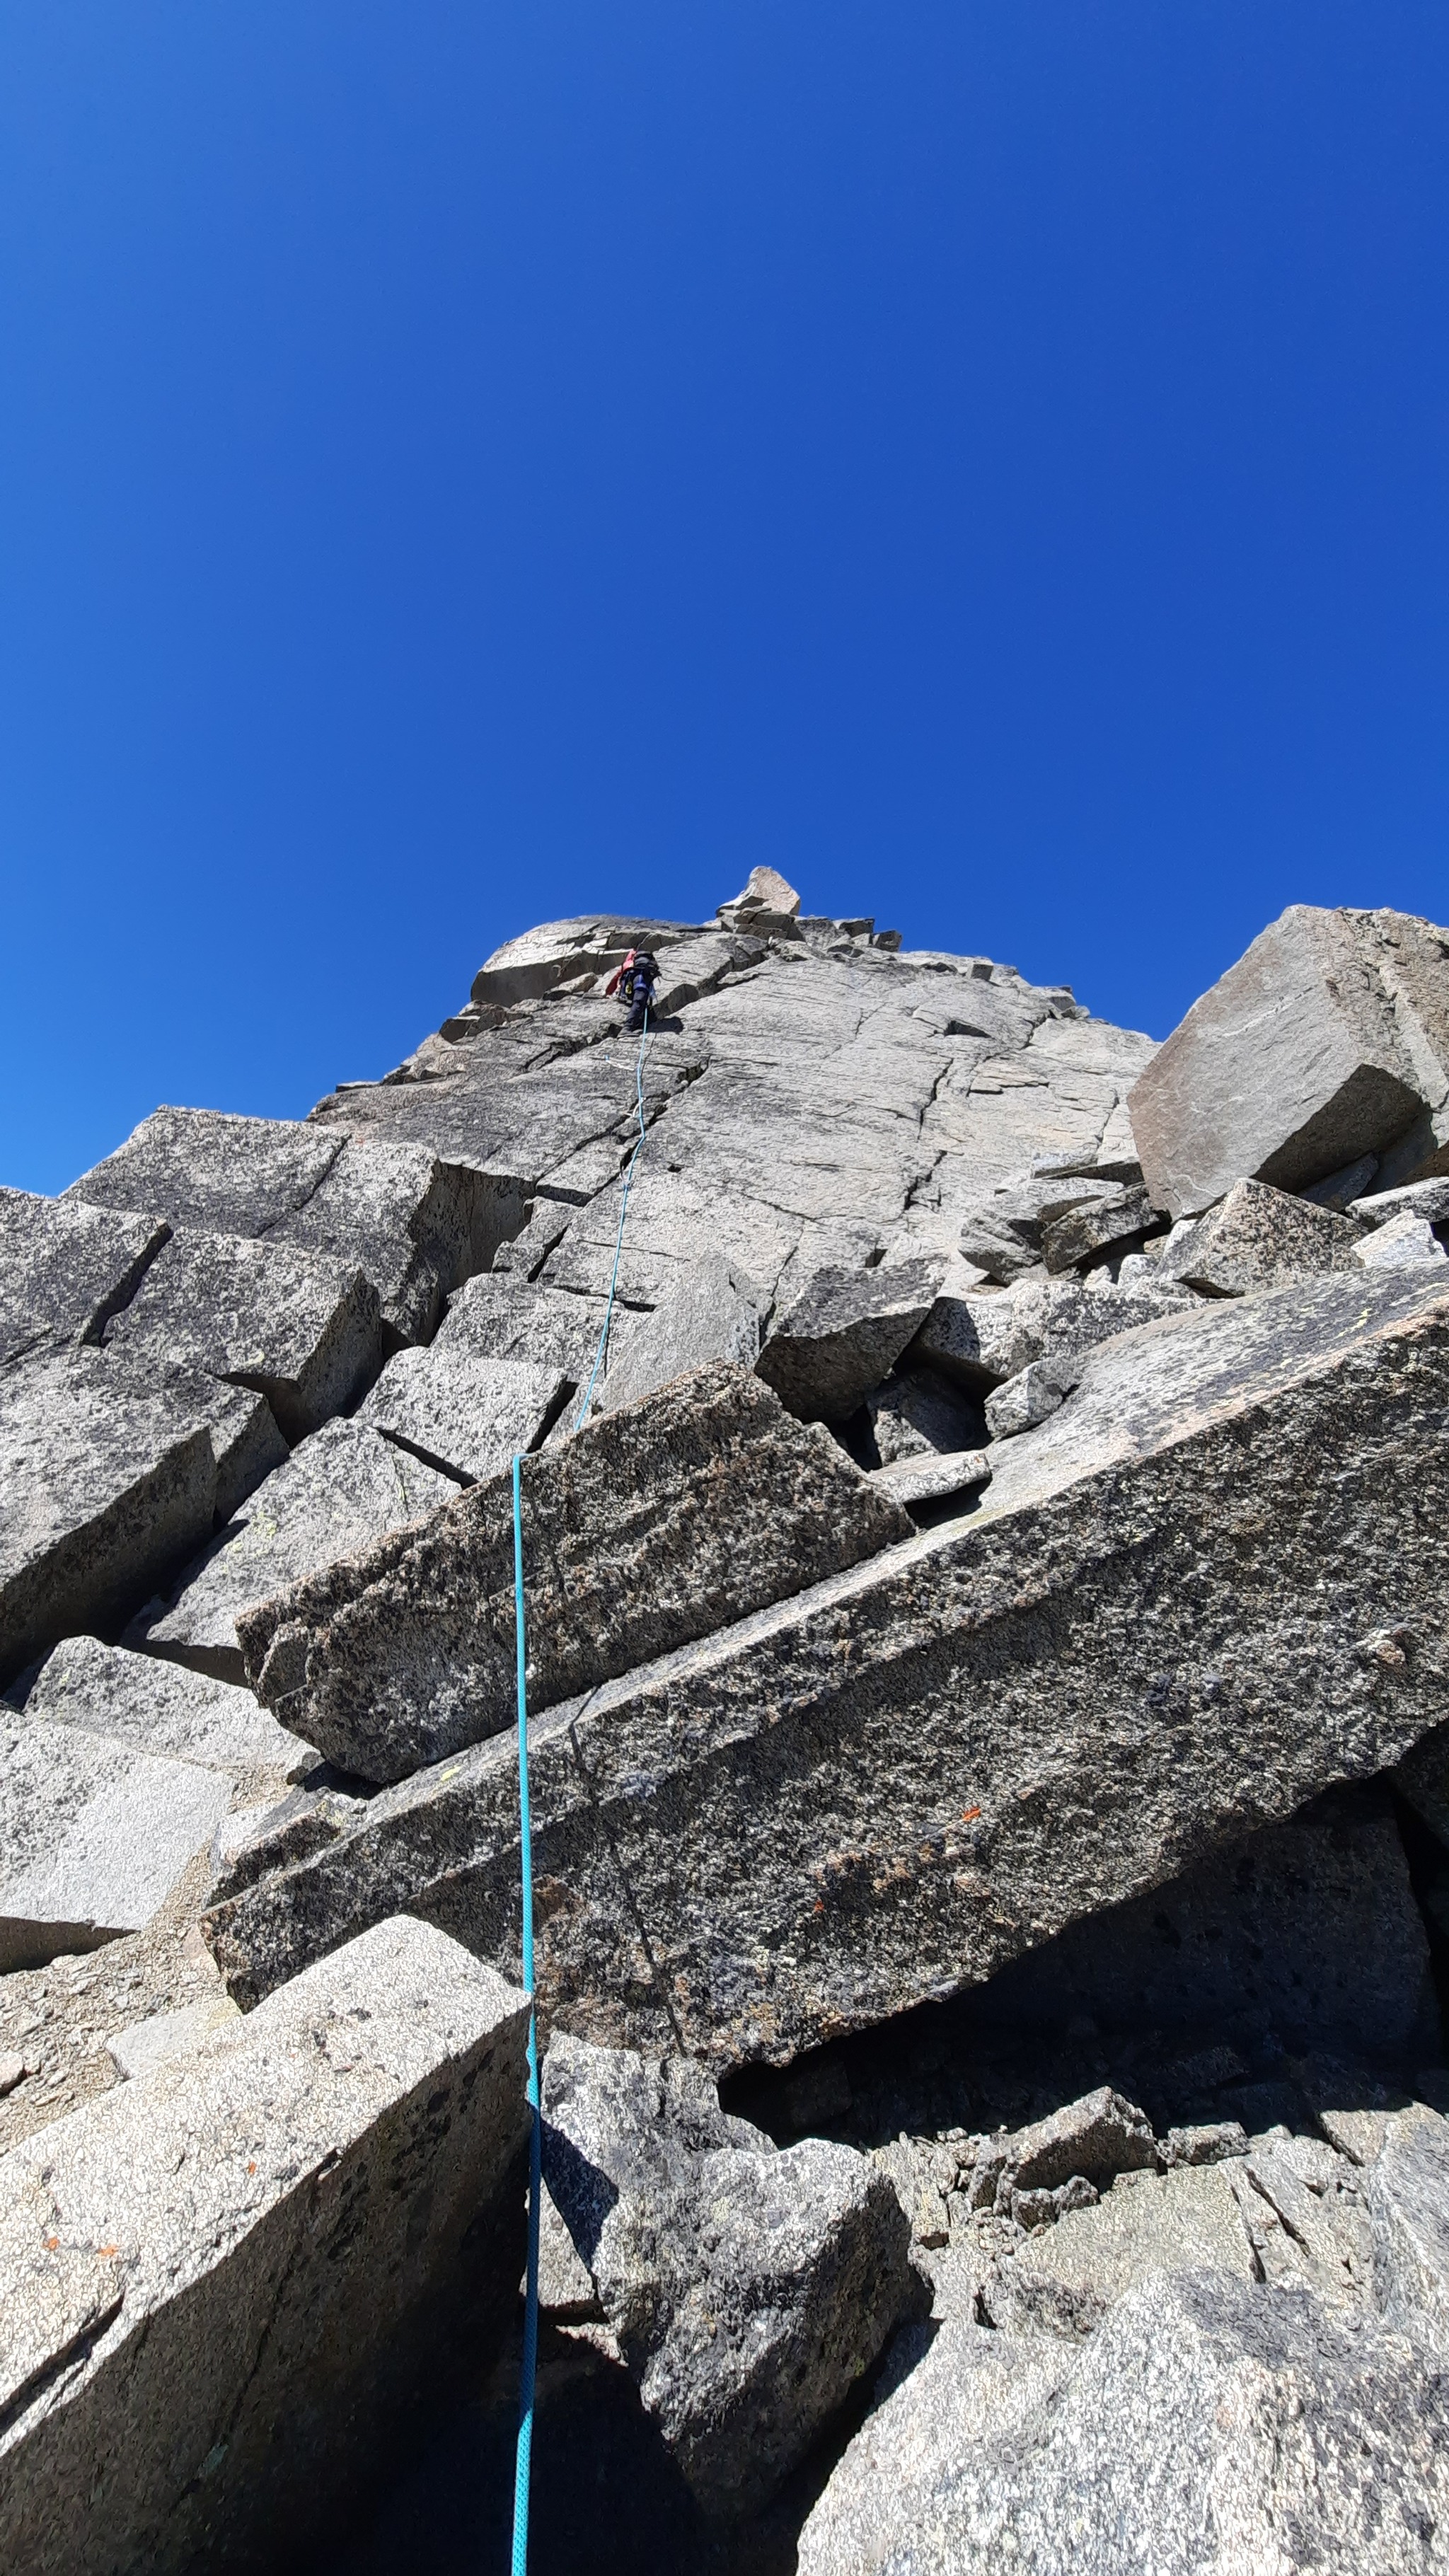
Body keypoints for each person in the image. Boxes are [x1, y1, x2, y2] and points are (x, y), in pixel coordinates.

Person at [604, 946, 659, 1032]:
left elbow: (616, 978)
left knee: (642, 1005)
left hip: (625, 992)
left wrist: (608, 992)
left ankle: (647, 1022)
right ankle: (627, 1028)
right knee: (640, 1002)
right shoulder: (644, 973)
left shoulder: (627, 966)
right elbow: (640, 1000)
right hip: (638, 989)